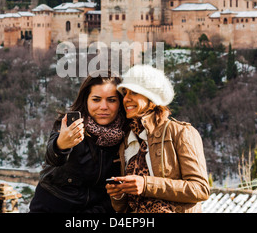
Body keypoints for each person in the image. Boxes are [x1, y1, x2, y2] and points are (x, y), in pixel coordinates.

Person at [106, 64, 210, 213]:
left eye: (134, 93)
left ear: (152, 99)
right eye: (125, 93)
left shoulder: (180, 133)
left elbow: (200, 189)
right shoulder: (127, 140)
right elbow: (124, 208)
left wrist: (147, 185)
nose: (126, 99)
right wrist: (119, 195)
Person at [29, 71, 128, 213]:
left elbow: (117, 193)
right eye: (96, 99)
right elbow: (52, 157)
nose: (103, 106)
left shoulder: (127, 135)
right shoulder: (70, 125)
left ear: (120, 102)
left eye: (111, 100)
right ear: (86, 100)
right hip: (52, 207)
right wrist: (61, 145)